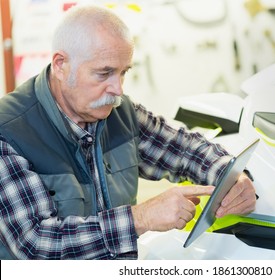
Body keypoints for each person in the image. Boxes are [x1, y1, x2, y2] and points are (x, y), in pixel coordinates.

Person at [0, 5, 256, 260]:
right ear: (60, 65)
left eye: (123, 73)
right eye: (105, 73)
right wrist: (141, 218)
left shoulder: (118, 112)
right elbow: (35, 245)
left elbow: (184, 149)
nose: (118, 89)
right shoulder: (10, 133)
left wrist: (232, 176)